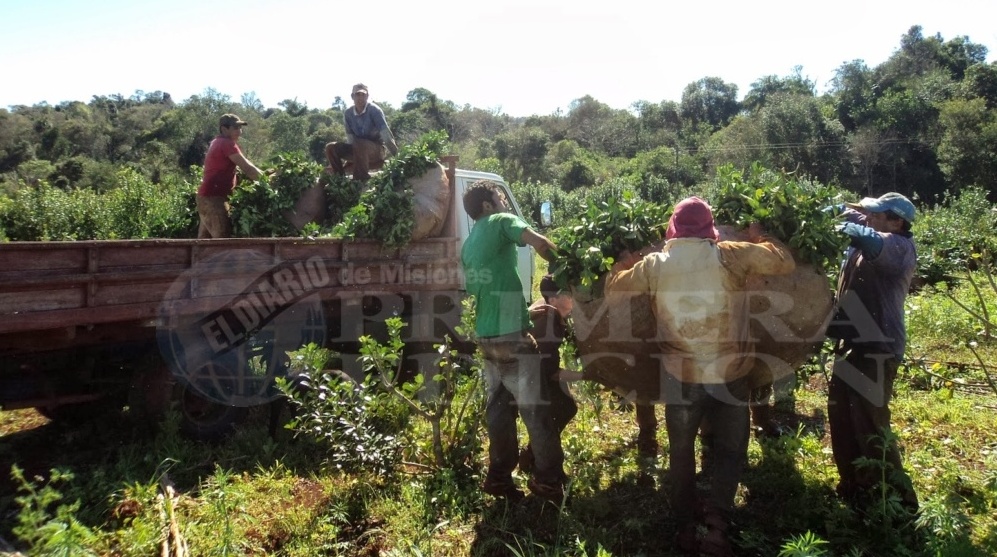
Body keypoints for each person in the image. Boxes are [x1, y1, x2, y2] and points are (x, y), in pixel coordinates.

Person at [605, 196, 795, 556]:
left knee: (681, 451)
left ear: (673, 228)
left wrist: (622, 264)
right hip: (731, 373)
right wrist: (762, 236)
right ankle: (718, 522)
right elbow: (784, 263)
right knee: (731, 449)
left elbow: (614, 291)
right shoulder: (730, 254)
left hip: (681, 376)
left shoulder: (654, 264)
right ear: (709, 227)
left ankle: (685, 525)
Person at [460, 180, 568, 504]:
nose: (505, 202)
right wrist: (567, 265)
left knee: (498, 412)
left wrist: (523, 309)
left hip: (486, 337)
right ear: (487, 205)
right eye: (500, 197)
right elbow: (539, 242)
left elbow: (486, 292)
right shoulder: (501, 222)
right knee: (537, 412)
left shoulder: (468, 245)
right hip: (512, 340)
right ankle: (548, 480)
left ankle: (498, 477)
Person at [825, 192, 919, 512]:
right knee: (840, 416)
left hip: (879, 346)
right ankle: (855, 488)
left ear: (897, 222)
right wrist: (831, 208)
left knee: (870, 422)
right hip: (852, 342)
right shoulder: (873, 229)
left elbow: (860, 233)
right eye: (871, 213)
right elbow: (844, 217)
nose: (870, 217)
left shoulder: (898, 247)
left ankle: (899, 504)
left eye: (878, 215)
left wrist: (845, 218)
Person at [518, 274, 578, 474]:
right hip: (533, 376)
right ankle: (538, 463)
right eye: (567, 293)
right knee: (559, 410)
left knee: (566, 408)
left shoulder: (555, 312)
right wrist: (586, 375)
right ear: (553, 300)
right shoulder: (548, 321)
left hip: (538, 372)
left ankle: (534, 453)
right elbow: (551, 372)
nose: (573, 295)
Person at [197, 114, 267, 239]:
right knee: (223, 241)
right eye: (235, 128)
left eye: (240, 128)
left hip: (206, 197)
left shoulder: (216, 142)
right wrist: (268, 182)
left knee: (204, 243)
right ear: (224, 129)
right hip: (214, 199)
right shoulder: (226, 143)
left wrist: (264, 174)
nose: (239, 132)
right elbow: (248, 168)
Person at [324, 83, 399, 182]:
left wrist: (398, 157)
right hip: (358, 148)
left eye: (363, 95)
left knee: (359, 143)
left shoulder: (374, 110)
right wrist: (349, 160)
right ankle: (339, 178)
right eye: (357, 95)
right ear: (352, 96)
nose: (360, 98)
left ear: (367, 96)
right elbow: (350, 139)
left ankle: (360, 179)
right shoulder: (348, 114)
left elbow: (386, 136)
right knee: (331, 147)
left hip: (376, 150)